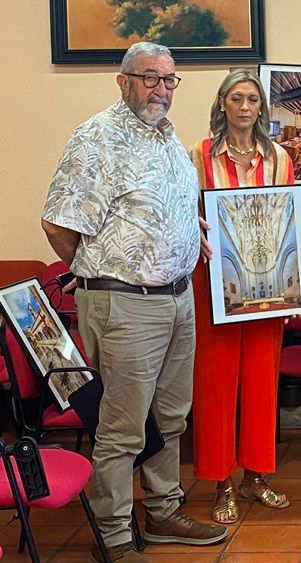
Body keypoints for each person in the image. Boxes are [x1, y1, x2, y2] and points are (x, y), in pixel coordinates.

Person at [41, 42, 227, 563]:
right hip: (125, 304)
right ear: (123, 80)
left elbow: (159, 209)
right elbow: (58, 223)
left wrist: (188, 230)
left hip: (177, 298)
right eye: (150, 78)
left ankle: (163, 511)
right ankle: (114, 533)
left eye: (170, 81)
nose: (161, 89)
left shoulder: (167, 137)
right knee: (122, 428)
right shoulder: (97, 137)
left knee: (170, 418)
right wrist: (97, 273)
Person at [188, 69, 294, 525]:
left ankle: (255, 475)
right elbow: (185, 211)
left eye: (253, 99)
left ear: (261, 107)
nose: (245, 106)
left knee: (261, 382)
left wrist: (294, 288)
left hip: (268, 285)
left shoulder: (281, 158)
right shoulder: (199, 153)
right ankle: (220, 482)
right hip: (214, 283)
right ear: (223, 104)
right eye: (237, 98)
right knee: (215, 385)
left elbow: (288, 219)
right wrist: (193, 224)